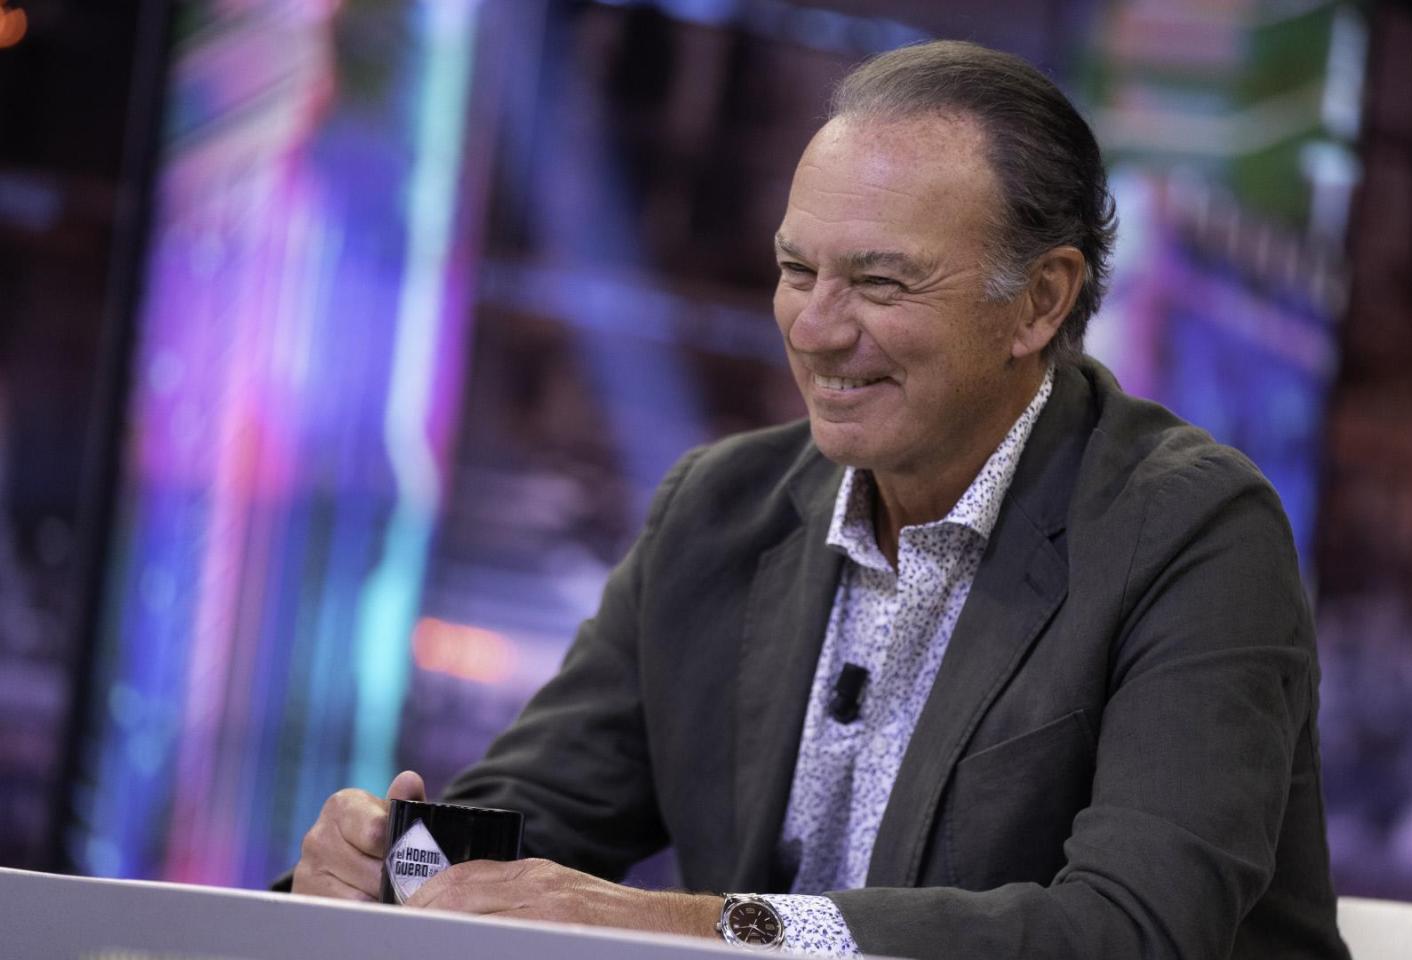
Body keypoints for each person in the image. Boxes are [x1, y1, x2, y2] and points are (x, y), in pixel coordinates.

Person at [288, 40, 1350, 959]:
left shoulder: (1193, 533)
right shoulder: (718, 508)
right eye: (798, 271)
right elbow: (537, 817)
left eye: (880, 284)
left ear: (1039, 301)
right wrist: (384, 867)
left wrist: (698, 926)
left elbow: (1133, 932)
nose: (814, 328)